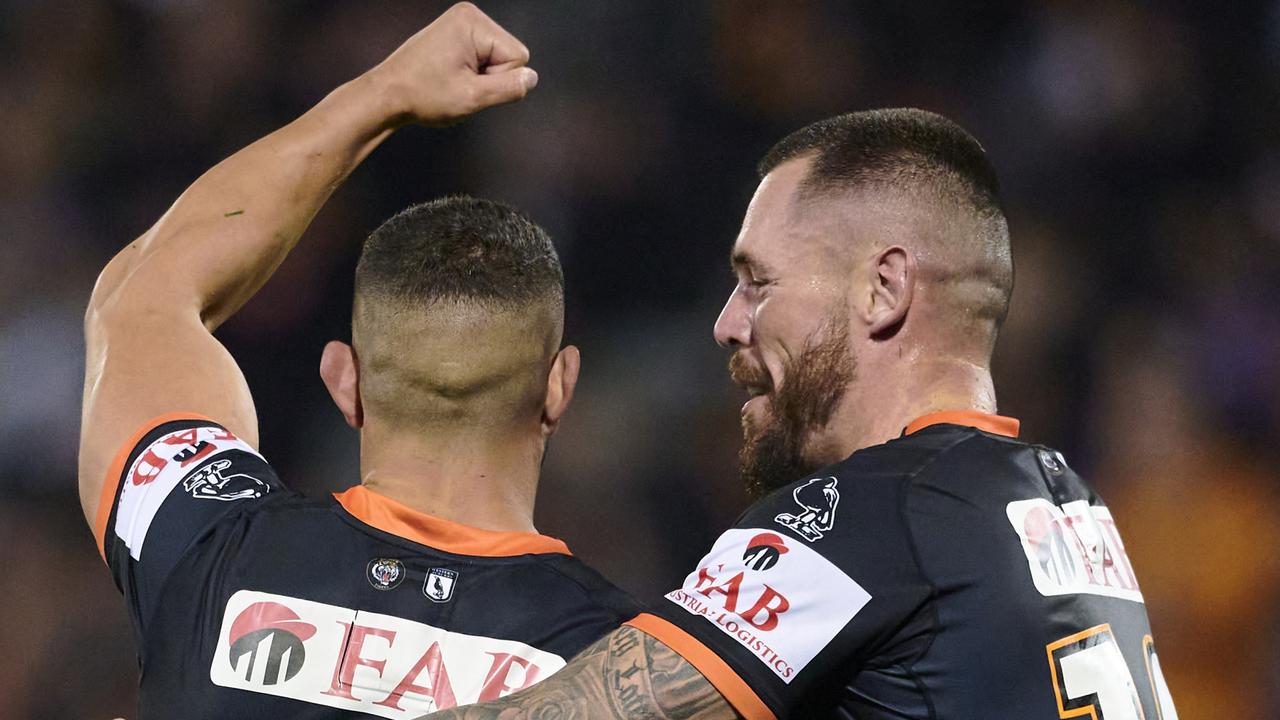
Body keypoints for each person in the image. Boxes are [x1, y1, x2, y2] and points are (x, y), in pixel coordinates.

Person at [419, 110, 1179, 719]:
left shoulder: (878, 511)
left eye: (757, 281)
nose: (726, 322)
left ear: (883, 289)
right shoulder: (1066, 504)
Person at [77, 5, 636, 719]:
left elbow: (142, 298)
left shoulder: (204, 546)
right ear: (561, 387)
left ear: (345, 379)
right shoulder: (630, 669)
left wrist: (383, 93)